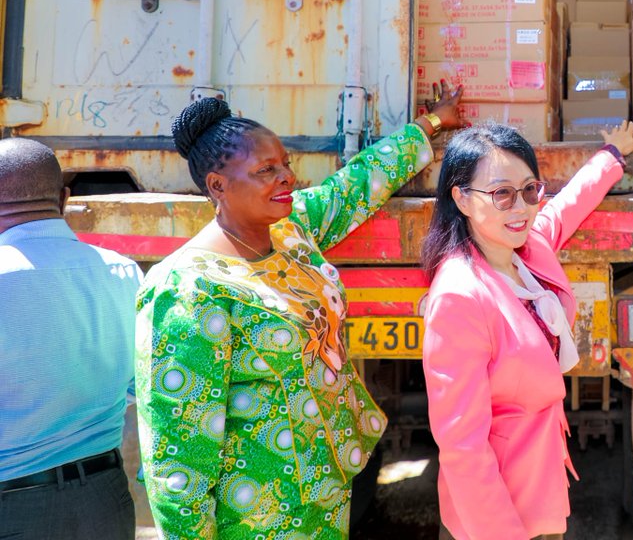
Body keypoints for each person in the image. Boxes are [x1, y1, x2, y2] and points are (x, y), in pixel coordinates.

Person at [135, 86, 463, 539]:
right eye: (266, 170)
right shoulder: (188, 289)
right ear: (217, 186)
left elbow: (355, 185)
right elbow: (178, 456)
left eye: (285, 163)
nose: (286, 177)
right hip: (256, 518)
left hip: (325, 497)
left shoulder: (291, 231)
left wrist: (431, 124)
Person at [421, 120, 633, 540]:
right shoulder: (460, 296)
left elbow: (566, 208)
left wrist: (611, 156)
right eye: (502, 193)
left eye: (529, 190)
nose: (522, 207)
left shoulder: (525, 251)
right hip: (493, 515)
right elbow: (462, 448)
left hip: (538, 491)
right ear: (463, 199)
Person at [0, 138, 142, 540]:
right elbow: (137, 385)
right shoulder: (126, 273)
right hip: (105, 498)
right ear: (64, 199)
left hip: (12, 505)